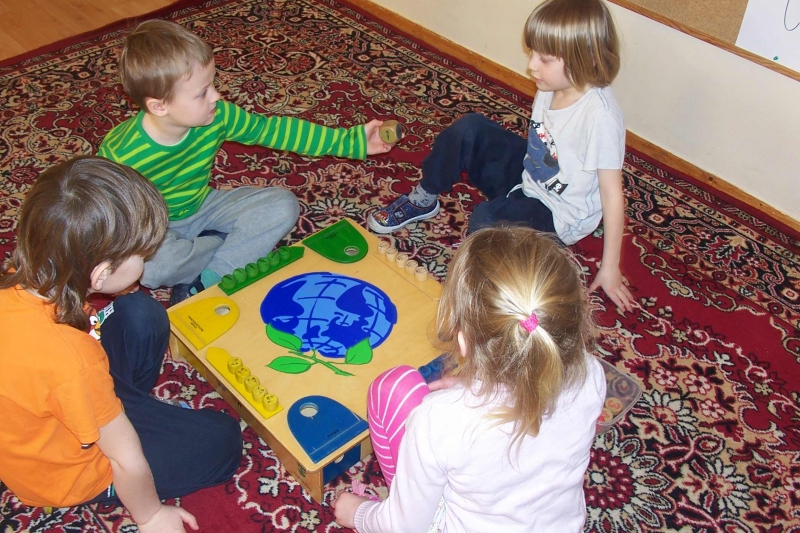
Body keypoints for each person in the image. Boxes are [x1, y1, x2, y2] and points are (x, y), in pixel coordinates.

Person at [0, 157, 242, 533]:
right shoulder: (71, 360)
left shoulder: (19, 282)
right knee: (221, 439)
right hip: (72, 467)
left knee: (140, 312)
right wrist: (151, 516)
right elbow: (125, 459)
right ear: (100, 274)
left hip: (60, 402)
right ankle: (128, 422)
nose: (147, 260)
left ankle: (127, 407)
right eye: (142, 255)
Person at [98, 19, 395, 305]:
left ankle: (211, 275)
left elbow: (273, 131)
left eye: (212, 84)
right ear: (160, 106)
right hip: (151, 229)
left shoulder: (219, 116)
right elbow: (103, 216)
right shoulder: (120, 154)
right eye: (202, 93)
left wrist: (351, 141)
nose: (216, 96)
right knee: (152, 270)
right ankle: (221, 244)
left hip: (203, 205)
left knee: (282, 205)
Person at [332, 226, 606, 532]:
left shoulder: (439, 420)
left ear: (462, 341)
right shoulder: (592, 374)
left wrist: (358, 513)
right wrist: (475, 388)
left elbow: (404, 527)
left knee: (391, 388)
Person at [367, 0, 633, 312]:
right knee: (470, 128)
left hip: (558, 212)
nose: (531, 66)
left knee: (485, 222)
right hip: (531, 172)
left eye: (544, 59)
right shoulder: (551, 84)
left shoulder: (601, 117)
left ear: (583, 58)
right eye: (532, 53)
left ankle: (490, 286)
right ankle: (424, 197)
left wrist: (610, 267)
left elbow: (612, 194)